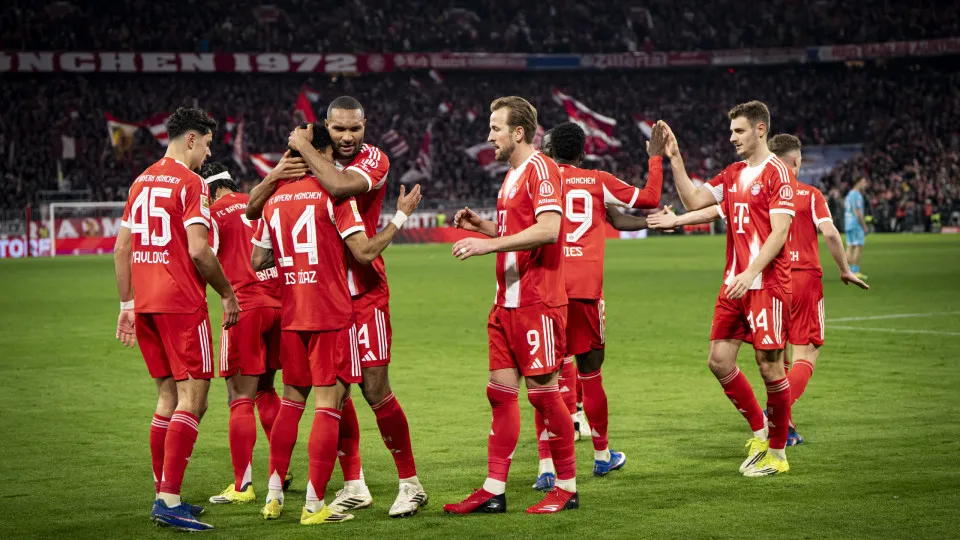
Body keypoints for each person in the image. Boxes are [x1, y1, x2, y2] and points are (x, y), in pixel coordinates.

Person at [250, 98, 427, 518]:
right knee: (336, 393)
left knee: (374, 389)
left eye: (355, 129)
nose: (348, 137)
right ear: (327, 127)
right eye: (339, 129)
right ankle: (354, 484)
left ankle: (410, 484)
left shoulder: (374, 159)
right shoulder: (310, 165)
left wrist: (302, 149)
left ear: (366, 126)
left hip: (364, 292)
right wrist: (277, 173)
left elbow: (340, 185)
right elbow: (254, 206)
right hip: (321, 297)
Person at [649, 133, 868, 446]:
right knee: (803, 354)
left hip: (765, 276)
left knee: (775, 359)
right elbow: (831, 233)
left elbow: (715, 211)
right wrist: (845, 269)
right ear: (797, 160)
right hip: (794, 278)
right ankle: (778, 418)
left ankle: (780, 427)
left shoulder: (760, 183)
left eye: (738, 131)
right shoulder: (808, 193)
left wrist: (679, 220)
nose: (733, 137)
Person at [444, 96, 577, 515]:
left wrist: (488, 245)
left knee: (544, 396)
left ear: (518, 132)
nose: (489, 136)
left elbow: (550, 229)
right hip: (506, 302)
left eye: (495, 128)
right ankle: (494, 489)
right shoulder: (512, 176)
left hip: (537, 302)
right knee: (500, 394)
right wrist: (484, 227)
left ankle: (567, 488)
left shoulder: (542, 169)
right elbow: (518, 229)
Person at [113, 107, 240, 531]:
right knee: (194, 399)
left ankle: (163, 493)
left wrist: (127, 306)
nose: (208, 154)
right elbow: (199, 250)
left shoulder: (140, 181)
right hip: (182, 303)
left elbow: (122, 249)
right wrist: (227, 293)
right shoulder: (191, 183)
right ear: (191, 139)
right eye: (207, 145)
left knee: (168, 398)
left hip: (146, 304)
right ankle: (168, 501)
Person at [660, 101, 798, 477]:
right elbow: (694, 200)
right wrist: (675, 158)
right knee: (719, 360)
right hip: (734, 284)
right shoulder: (733, 173)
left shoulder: (778, 173)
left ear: (760, 130)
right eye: (731, 131)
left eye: (739, 131)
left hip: (766, 283)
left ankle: (778, 453)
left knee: (770, 366)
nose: (732, 137)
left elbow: (779, 233)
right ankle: (761, 431)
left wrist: (750, 272)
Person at [526, 121, 666, 492]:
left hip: (547, 290)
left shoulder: (537, 179)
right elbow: (649, 198)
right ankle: (602, 456)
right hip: (586, 292)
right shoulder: (597, 180)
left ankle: (546, 466)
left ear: (549, 150)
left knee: (546, 379)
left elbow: (613, 218)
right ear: (583, 152)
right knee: (591, 376)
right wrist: (655, 158)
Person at [200, 162, 287, 505]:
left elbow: (203, 255)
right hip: (279, 306)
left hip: (245, 308)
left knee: (239, 397)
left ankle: (242, 486)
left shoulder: (212, 214)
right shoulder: (259, 202)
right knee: (266, 389)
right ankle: (279, 474)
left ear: (208, 191)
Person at [845, 177, 869, 279]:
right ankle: (855, 272)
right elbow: (858, 212)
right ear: (858, 182)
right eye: (864, 182)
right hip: (856, 224)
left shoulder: (849, 194)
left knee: (850, 247)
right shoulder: (857, 195)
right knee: (859, 247)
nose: (865, 184)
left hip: (848, 223)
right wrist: (864, 226)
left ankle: (847, 271)